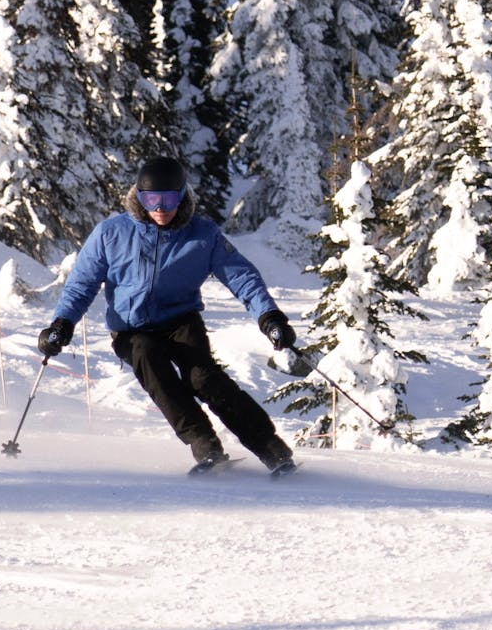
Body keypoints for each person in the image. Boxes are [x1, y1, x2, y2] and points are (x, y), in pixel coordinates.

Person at [38, 156, 298, 476]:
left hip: (180, 320)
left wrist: (269, 317)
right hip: (131, 327)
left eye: (169, 199)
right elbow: (81, 285)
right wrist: (62, 324)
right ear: (139, 197)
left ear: (183, 196)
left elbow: (242, 277)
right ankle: (206, 447)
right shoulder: (111, 233)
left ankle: (272, 450)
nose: (160, 208)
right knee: (150, 362)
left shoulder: (202, 235)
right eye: (151, 200)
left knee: (203, 377)